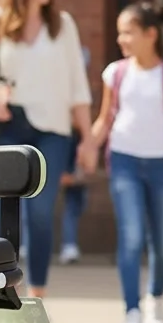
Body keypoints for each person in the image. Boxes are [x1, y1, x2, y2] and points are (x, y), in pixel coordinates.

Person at [0, 0, 98, 298]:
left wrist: (88, 140)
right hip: (8, 127)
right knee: (2, 216)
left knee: (41, 214)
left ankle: (36, 296)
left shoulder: (63, 25)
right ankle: (0, 292)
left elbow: (77, 87)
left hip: (53, 132)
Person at [90, 2, 163, 323]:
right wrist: (88, 145)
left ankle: (155, 298)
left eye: (128, 32)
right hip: (124, 162)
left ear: (151, 34)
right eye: (120, 32)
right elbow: (105, 118)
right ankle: (132, 309)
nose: (121, 39)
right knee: (132, 235)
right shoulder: (115, 73)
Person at [59, 47, 93, 265]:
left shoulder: (83, 86)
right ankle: (25, 244)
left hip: (76, 140)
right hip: (59, 137)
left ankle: (69, 244)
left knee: (76, 199)